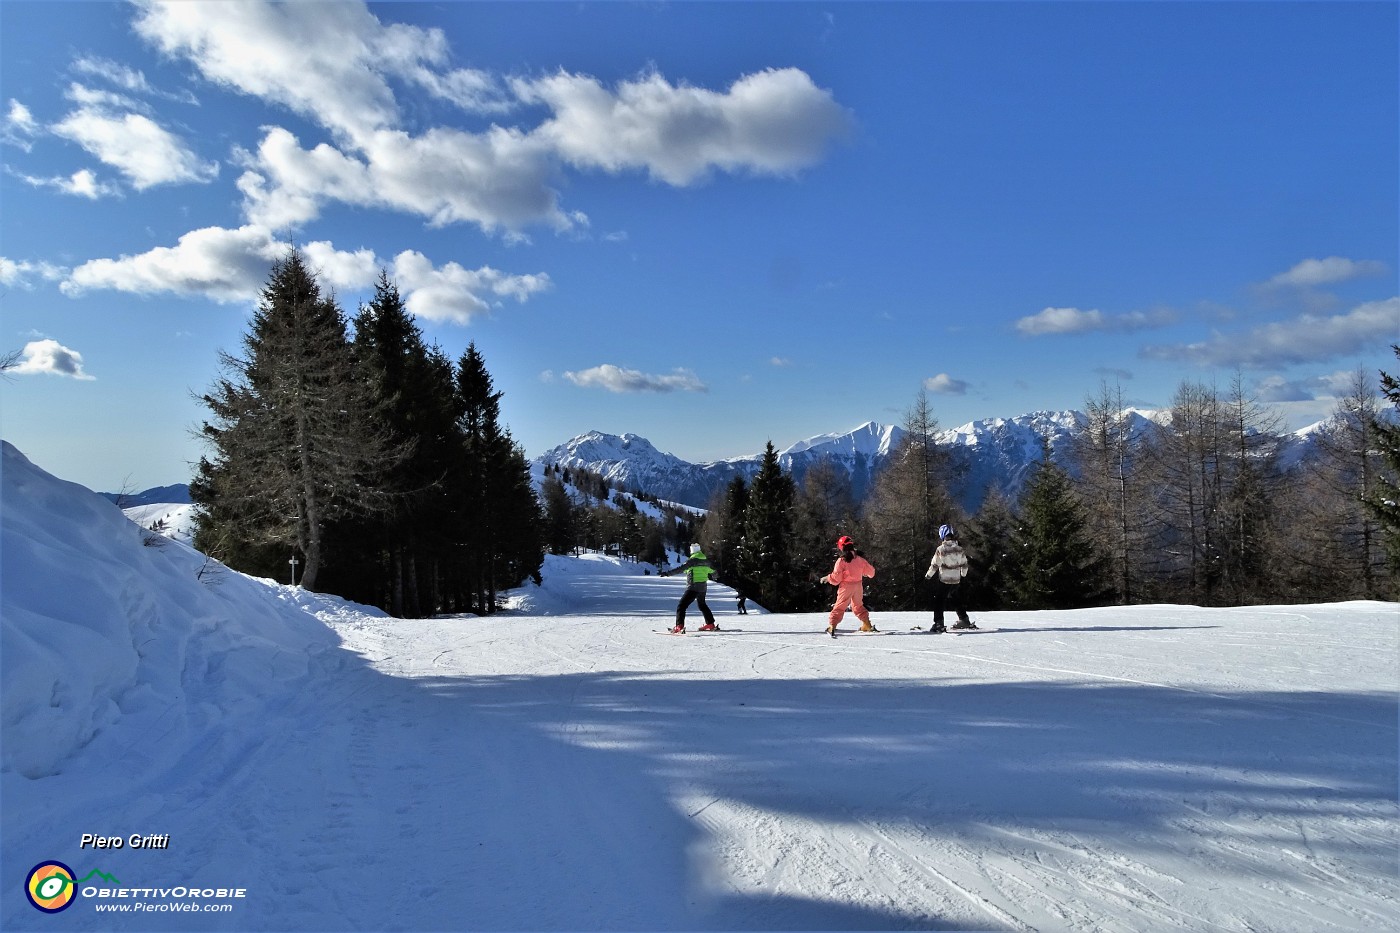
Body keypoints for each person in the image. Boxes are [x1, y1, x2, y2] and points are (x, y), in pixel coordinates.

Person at [822, 535, 877, 636]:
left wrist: (827, 578)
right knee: (858, 606)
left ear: (841, 547)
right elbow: (871, 572)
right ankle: (867, 624)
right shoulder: (859, 559)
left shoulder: (841, 561)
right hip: (858, 586)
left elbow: (836, 579)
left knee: (840, 606)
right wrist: (863, 572)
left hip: (846, 587)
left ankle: (832, 626)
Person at [925, 524, 975, 633]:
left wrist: (928, 575)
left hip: (945, 579)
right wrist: (963, 574)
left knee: (939, 600)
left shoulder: (941, 549)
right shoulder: (959, 549)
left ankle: (939, 623)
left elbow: (935, 565)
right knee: (954, 597)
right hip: (956, 579)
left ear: (942, 535)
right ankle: (964, 619)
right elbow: (964, 564)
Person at [661, 544, 719, 633]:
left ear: (692, 551)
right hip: (703, 587)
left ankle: (679, 626)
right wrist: (712, 576)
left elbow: (680, 569)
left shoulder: (691, 561)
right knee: (702, 605)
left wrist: (667, 573)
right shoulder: (706, 562)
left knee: (682, 606)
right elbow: (715, 573)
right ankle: (710, 623)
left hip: (693, 587)